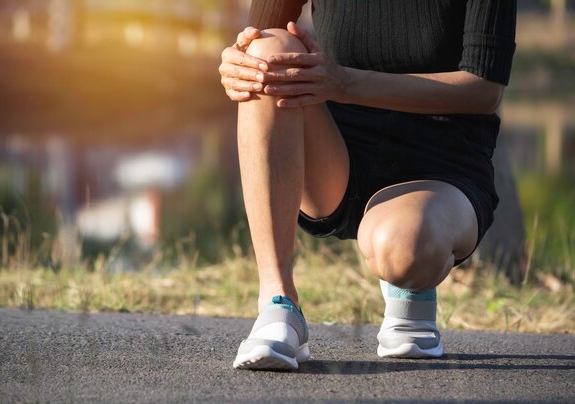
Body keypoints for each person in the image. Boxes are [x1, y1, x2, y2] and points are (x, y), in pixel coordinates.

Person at [219, 0, 516, 370]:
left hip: (442, 158)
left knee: (402, 247)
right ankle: (277, 302)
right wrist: (235, 63)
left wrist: (343, 82)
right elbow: (254, 46)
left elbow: (484, 90)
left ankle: (410, 289)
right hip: (335, 154)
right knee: (268, 56)